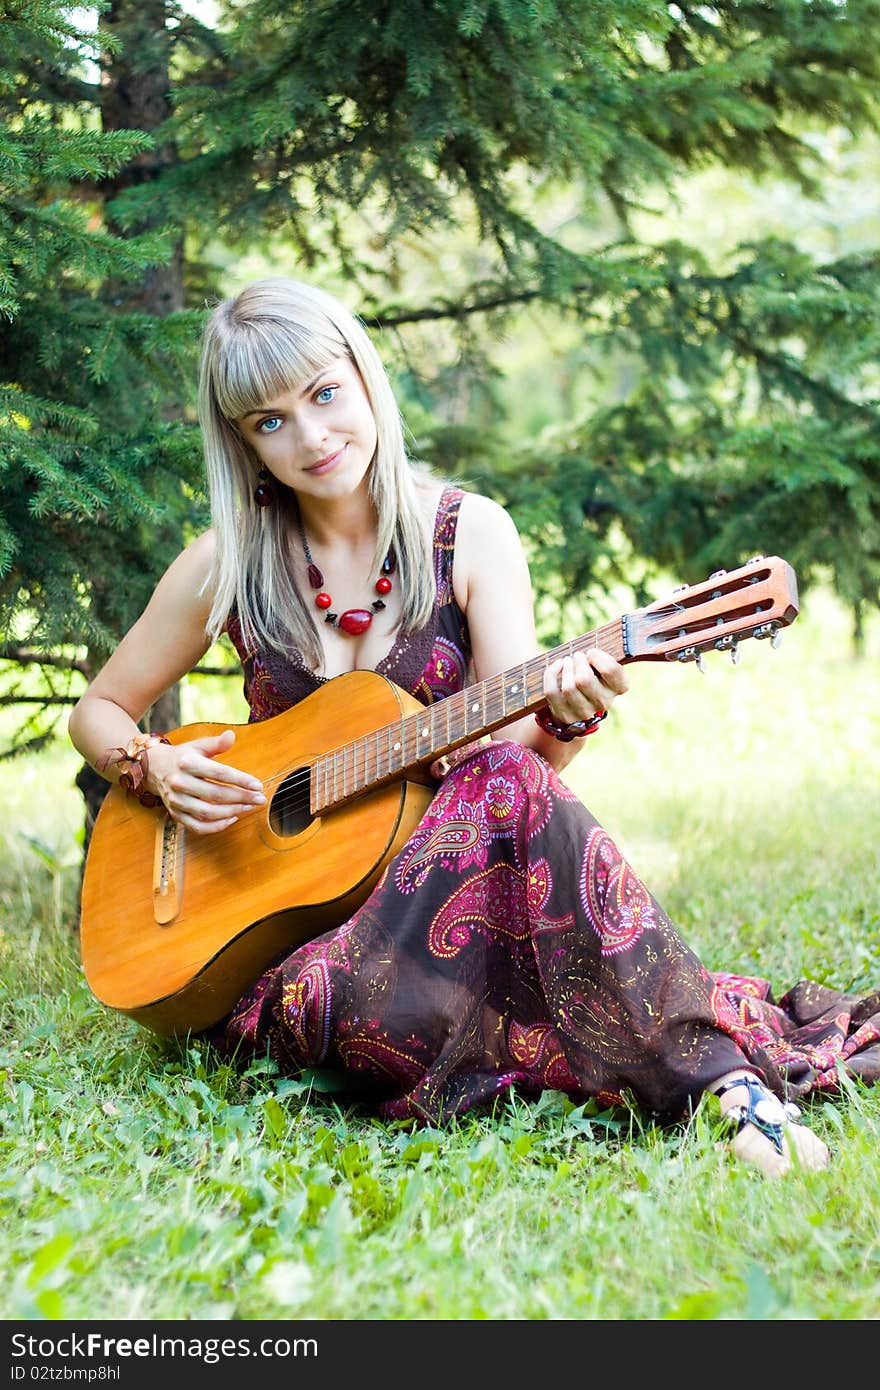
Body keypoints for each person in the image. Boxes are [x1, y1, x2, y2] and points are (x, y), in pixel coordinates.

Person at [68, 277, 876, 1179]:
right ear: (243, 443)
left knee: (507, 784)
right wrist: (150, 766)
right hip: (306, 970)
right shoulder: (225, 563)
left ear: (366, 380)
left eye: (324, 394)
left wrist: (568, 720)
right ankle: (582, 1045)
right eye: (271, 421)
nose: (311, 436)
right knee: (386, 1003)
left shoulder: (469, 535)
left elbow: (513, 791)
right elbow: (96, 710)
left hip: (442, 928)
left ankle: (726, 1091)